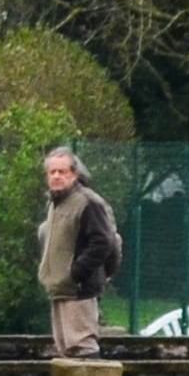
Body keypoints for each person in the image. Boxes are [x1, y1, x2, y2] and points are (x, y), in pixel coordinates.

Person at [40, 144, 123, 356]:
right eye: (52, 172)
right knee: (66, 350)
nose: (56, 176)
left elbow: (103, 242)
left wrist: (76, 272)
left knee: (83, 348)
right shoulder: (55, 203)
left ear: (75, 174)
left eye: (62, 171)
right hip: (60, 289)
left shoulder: (87, 202)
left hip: (78, 290)